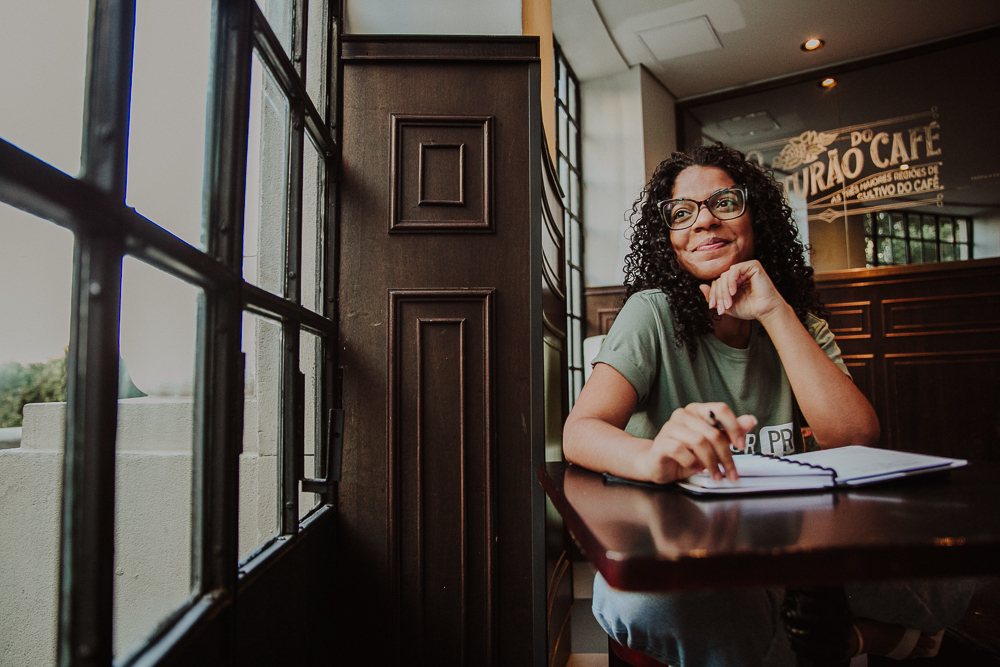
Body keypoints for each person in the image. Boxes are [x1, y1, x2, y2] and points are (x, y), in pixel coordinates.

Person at [563, 143, 978, 665]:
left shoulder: (798, 321)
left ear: (754, 217)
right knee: (661, 602)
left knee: (952, 577)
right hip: (677, 547)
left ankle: (805, 630)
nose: (704, 221)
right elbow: (581, 430)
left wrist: (774, 311)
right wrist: (653, 457)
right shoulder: (652, 313)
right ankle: (864, 640)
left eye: (725, 203)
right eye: (682, 212)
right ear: (668, 238)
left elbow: (855, 437)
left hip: (788, 544)